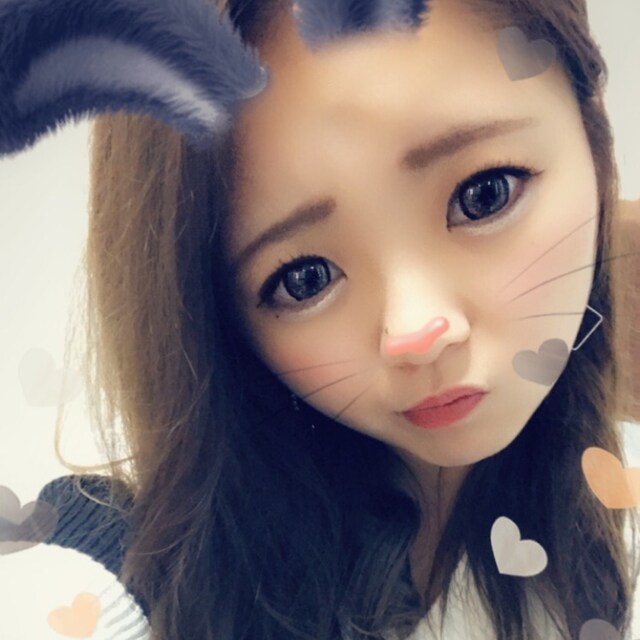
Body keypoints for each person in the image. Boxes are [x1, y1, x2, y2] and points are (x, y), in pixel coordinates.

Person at [1, 0, 639, 639]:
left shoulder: (603, 521)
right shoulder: (122, 576)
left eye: (483, 195)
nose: (416, 332)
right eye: (304, 278)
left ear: (592, 136)